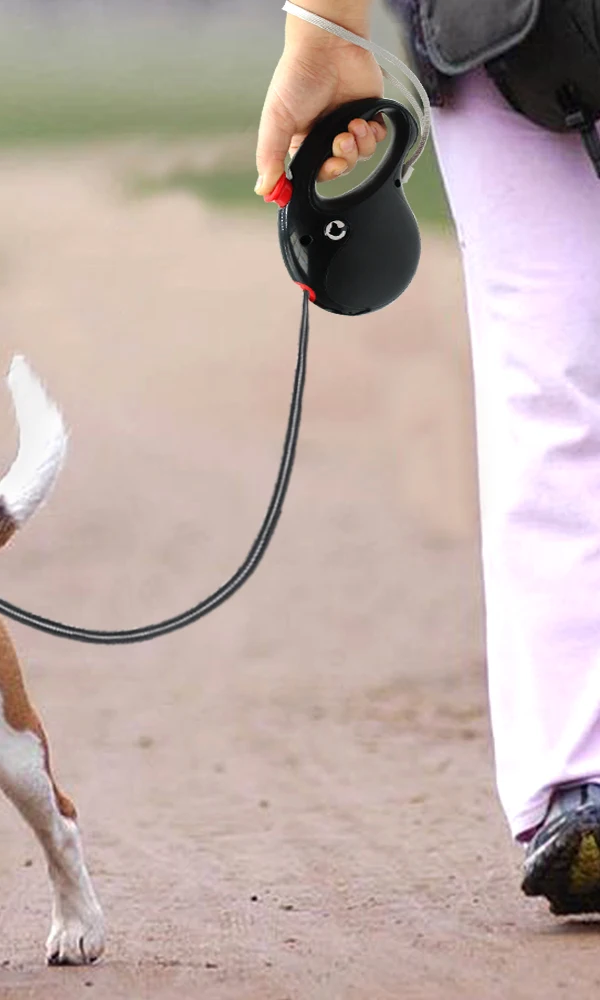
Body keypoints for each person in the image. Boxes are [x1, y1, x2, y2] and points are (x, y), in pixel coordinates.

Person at [255, 0, 600, 915]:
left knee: (552, 382)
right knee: (553, 367)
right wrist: (323, 25)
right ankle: (585, 779)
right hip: (512, 33)